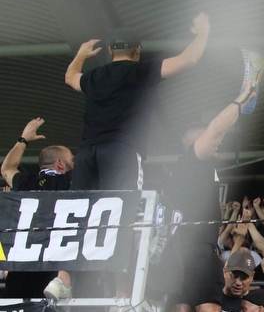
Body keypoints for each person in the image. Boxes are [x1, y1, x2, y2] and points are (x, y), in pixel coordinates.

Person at [160, 88, 254, 312]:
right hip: (197, 247)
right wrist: (241, 98)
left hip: (177, 249)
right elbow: (215, 130)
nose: (218, 143)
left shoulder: (183, 172)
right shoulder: (194, 161)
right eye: (212, 141)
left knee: (180, 310)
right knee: (208, 310)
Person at [64, 13, 210, 190]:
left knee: (80, 207)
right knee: (122, 206)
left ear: (110, 51)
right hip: (122, 150)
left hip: (87, 153)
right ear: (138, 51)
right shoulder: (141, 70)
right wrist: (204, 32)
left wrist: (81, 55)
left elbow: (70, 77)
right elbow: (189, 59)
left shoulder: (94, 76)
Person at [0, 118, 74, 299]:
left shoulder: (24, 183)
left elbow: (6, 168)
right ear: (60, 164)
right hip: (53, 270)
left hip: (21, 269)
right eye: (72, 159)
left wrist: (23, 139)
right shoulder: (69, 181)